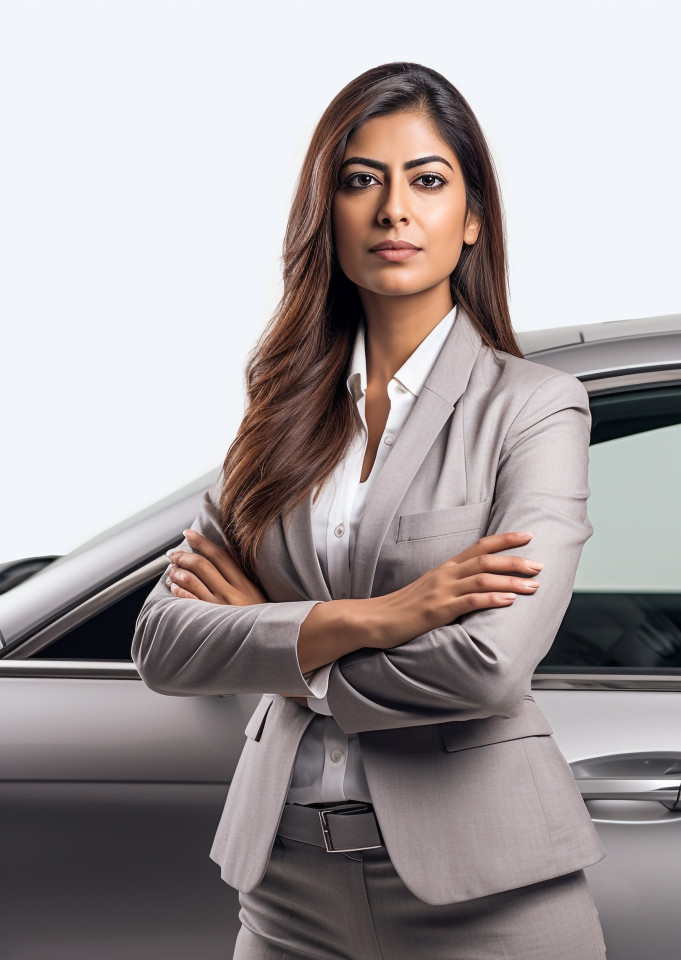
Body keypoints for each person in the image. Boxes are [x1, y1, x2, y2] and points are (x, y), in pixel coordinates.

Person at [132, 61, 606, 960]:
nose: (394, 210)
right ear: (329, 217)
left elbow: (485, 665)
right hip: (284, 893)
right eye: (362, 181)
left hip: (484, 895)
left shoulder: (535, 408)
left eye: (427, 181)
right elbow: (163, 642)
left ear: (471, 221)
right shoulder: (274, 418)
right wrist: (382, 617)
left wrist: (284, 650)